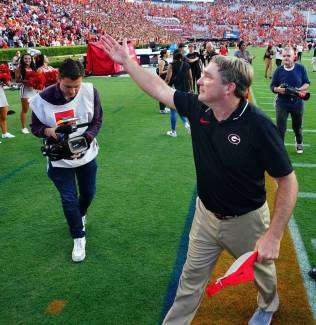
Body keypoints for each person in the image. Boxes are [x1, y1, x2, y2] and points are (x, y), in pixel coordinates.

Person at [101, 35, 298, 325]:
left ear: (229, 88)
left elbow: (288, 181)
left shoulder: (258, 126)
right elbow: (159, 89)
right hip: (205, 214)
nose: (200, 80)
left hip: (247, 219)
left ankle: (268, 305)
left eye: (207, 75)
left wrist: (274, 234)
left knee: (262, 271)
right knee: (190, 278)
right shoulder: (199, 107)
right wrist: (127, 63)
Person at [30, 59, 103, 263]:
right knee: (69, 198)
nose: (72, 92)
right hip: (60, 160)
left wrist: (85, 141)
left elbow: (97, 121)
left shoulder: (90, 91)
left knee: (88, 193)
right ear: (58, 78)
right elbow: (34, 127)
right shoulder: (41, 99)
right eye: (68, 86)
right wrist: (48, 130)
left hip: (86, 154)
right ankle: (78, 236)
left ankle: (79, 216)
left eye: (76, 86)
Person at [271, 46, 310, 154]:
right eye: (284, 56)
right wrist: (278, 89)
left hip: (297, 103)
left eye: (288, 56)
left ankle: (299, 142)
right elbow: (272, 86)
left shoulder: (301, 68)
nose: (286, 58)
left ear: (294, 56)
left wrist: (298, 89)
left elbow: (307, 83)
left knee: (297, 127)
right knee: (281, 127)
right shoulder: (278, 70)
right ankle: (280, 147)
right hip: (282, 103)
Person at [165, 49, 191, 137]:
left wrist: (163, 85)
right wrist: (191, 88)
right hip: (185, 89)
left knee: (173, 109)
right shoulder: (187, 65)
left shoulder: (171, 65)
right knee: (180, 108)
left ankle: (173, 131)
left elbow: (168, 78)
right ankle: (186, 124)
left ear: (174, 56)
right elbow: (190, 77)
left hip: (175, 89)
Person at [15, 53, 37, 134]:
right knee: (25, 110)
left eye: (29, 58)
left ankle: (35, 124)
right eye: (25, 58)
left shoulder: (34, 68)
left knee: (35, 109)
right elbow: (17, 80)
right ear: (22, 60)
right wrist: (27, 81)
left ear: (31, 59)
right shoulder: (19, 69)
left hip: (34, 90)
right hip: (25, 90)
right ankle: (23, 127)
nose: (27, 60)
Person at [157, 49, 170, 114]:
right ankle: (162, 109)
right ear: (164, 54)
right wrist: (169, 70)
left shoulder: (165, 61)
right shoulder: (162, 61)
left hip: (165, 79)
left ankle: (164, 107)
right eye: (167, 53)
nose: (168, 54)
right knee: (162, 94)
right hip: (162, 79)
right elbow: (160, 72)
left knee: (165, 94)